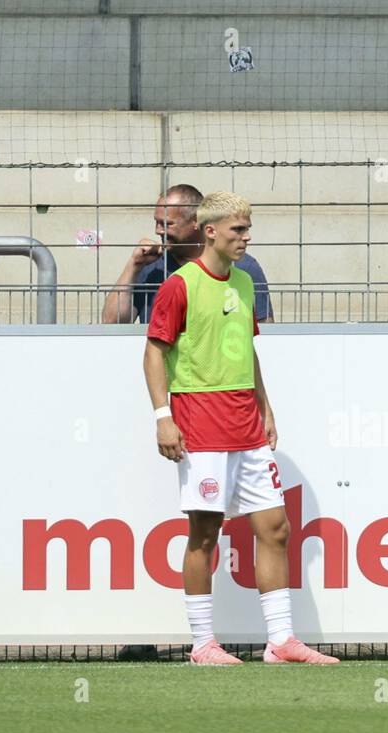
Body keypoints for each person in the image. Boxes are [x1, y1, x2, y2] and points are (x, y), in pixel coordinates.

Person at [143, 190, 336, 665]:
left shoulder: (245, 283)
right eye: (238, 230)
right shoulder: (180, 286)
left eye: (247, 230)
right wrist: (162, 417)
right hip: (200, 423)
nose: (246, 238)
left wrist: (265, 407)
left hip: (246, 424)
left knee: (275, 528)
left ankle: (281, 642)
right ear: (211, 231)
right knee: (205, 533)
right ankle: (203, 644)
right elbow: (153, 352)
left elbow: (247, 351)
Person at [102, 183, 274, 325]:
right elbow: (112, 324)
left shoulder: (243, 267)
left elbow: (266, 331)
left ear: (196, 223)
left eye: (167, 224)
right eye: (157, 223)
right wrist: (134, 265)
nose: (157, 231)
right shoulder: (151, 267)